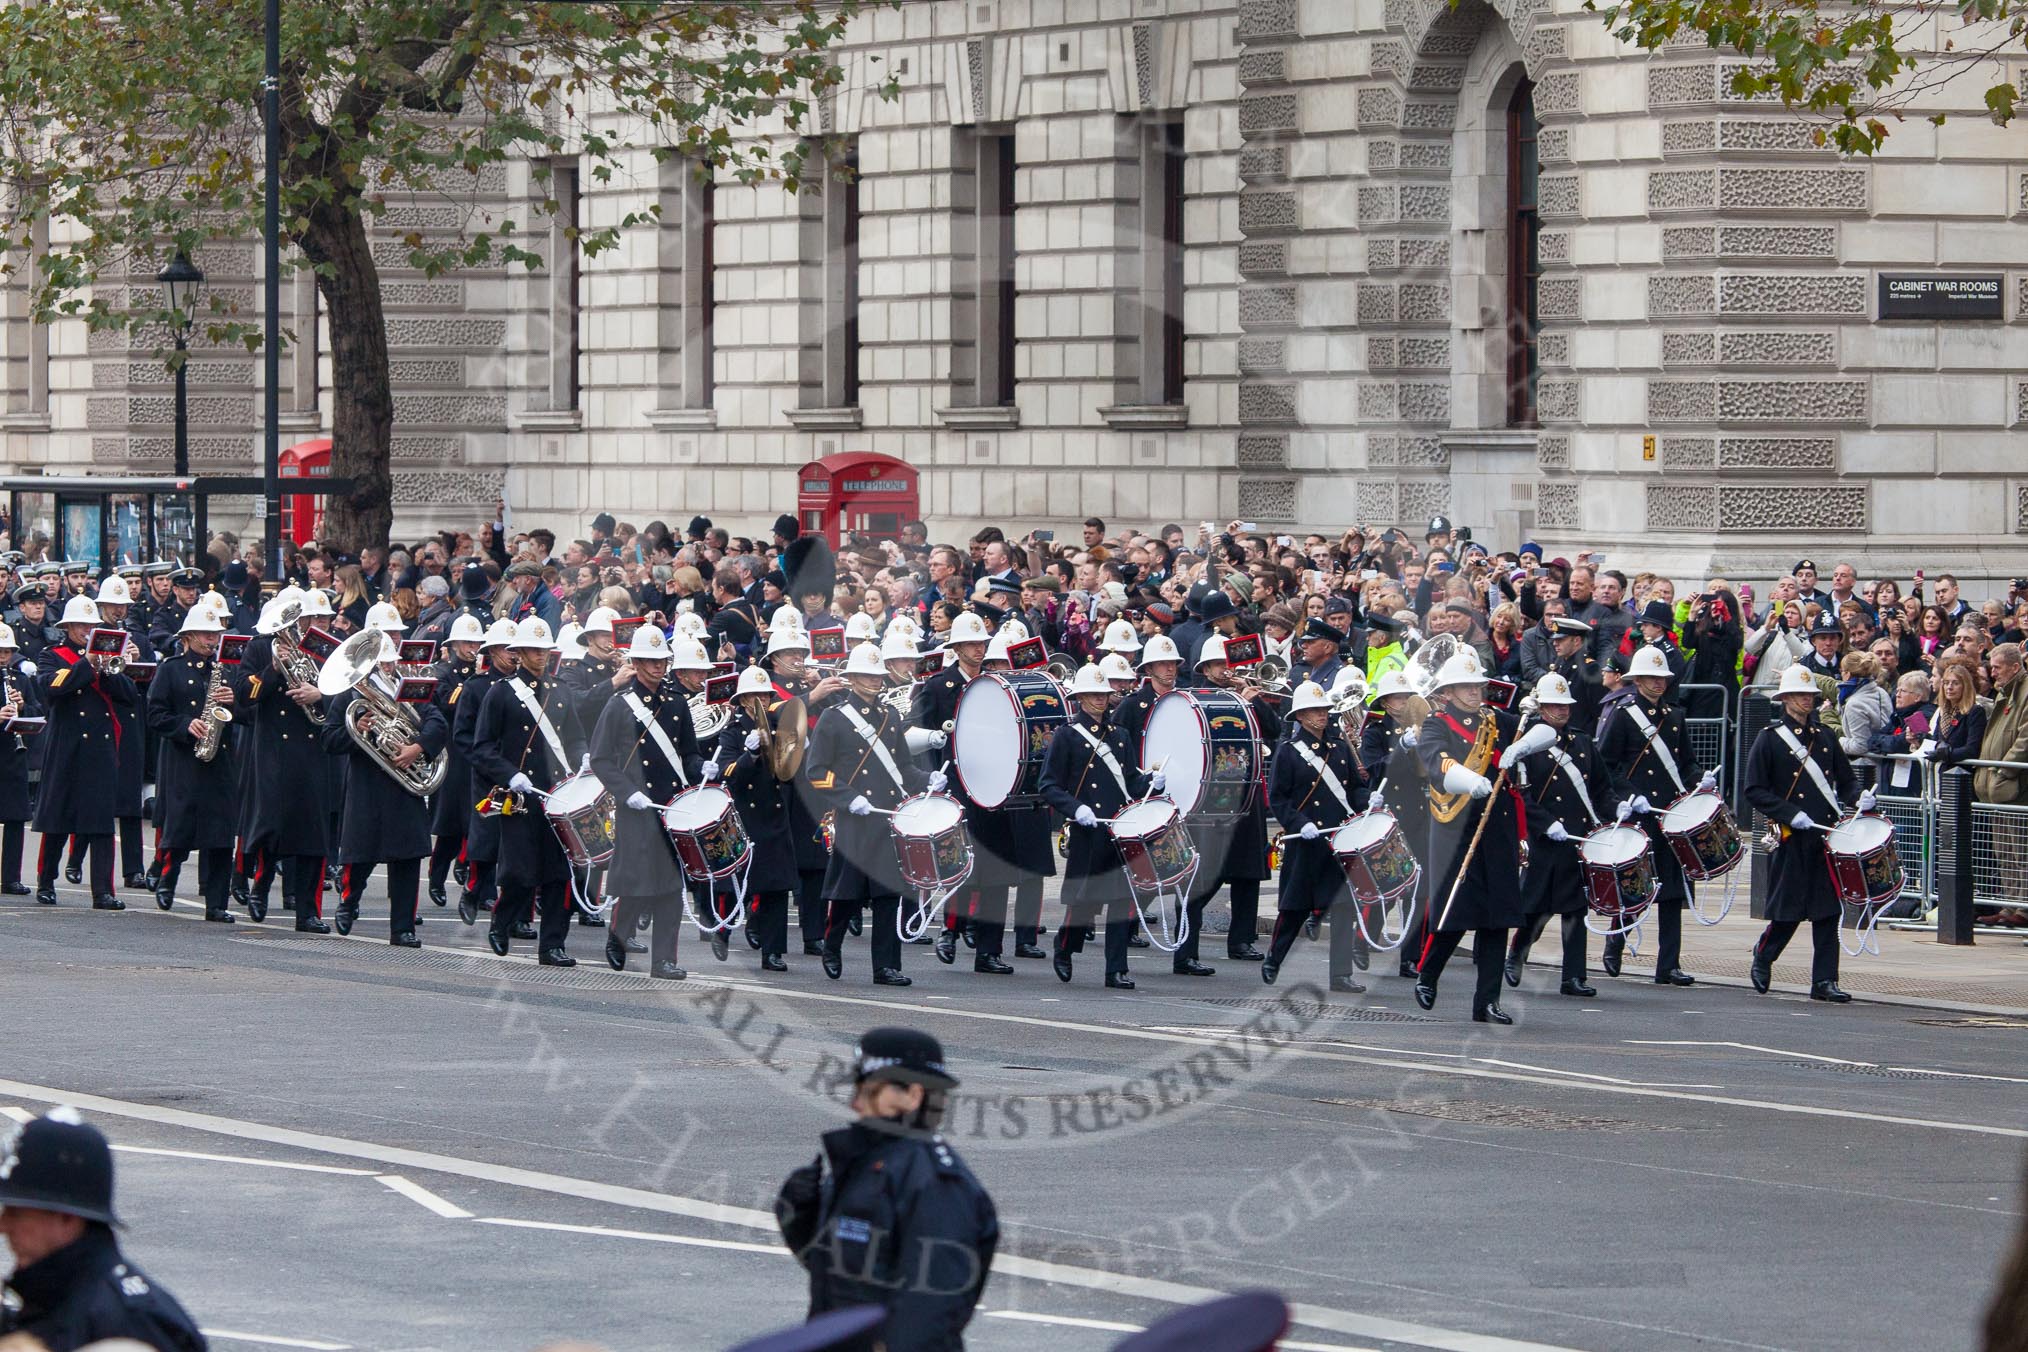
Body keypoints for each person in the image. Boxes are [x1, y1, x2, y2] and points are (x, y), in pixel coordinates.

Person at [774, 1028, 995, 1352]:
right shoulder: (867, 1163)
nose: (855, 1102)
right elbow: (846, 1275)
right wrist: (800, 1218)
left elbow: (930, 1308)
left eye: (869, 1091)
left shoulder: (934, 1184)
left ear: (913, 1096)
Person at [1412, 650, 1553, 1023]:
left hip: (1497, 827)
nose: (1475, 692)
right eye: (1466, 686)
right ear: (1448, 692)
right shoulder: (1436, 724)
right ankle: (1428, 973)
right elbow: (1436, 763)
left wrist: (1522, 746)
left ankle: (1487, 1002)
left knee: (1497, 918)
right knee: (1455, 911)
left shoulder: (1498, 720)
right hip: (1456, 828)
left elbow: (1547, 731)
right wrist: (1470, 778)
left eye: (1477, 685)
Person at [0, 1108, 207, 1352]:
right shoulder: (53, 1296)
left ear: (67, 1217)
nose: (3, 1226)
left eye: (16, 1213)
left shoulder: (127, 1325)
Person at [805, 642, 934, 986]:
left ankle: (886, 967)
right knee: (847, 895)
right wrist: (848, 798)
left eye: (878, 675)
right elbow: (815, 770)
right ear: (852, 678)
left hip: (887, 817)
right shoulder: (834, 718)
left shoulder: (891, 716)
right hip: (855, 819)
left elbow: (903, 767)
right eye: (867, 675)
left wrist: (927, 779)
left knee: (889, 894)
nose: (875, 681)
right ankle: (832, 945)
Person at [319, 630, 450, 946]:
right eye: (383, 663)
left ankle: (403, 928)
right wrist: (357, 731)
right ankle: (349, 902)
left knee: (407, 860)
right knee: (361, 857)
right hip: (368, 787)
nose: (388, 668)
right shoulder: (349, 695)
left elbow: (436, 723)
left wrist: (417, 747)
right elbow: (329, 739)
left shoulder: (407, 690)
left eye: (391, 663)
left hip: (404, 787)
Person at [1744, 665, 1865, 1002]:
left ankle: (1824, 980)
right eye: (1800, 695)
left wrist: (1859, 797)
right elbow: (1754, 789)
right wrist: (1789, 813)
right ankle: (1764, 954)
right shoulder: (1770, 738)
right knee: (1788, 908)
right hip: (1788, 832)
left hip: (1823, 833)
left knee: (1828, 909)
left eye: (1811, 695)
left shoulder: (1825, 738)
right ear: (1785, 699)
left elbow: (1846, 779)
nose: (1807, 700)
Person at [589, 625, 703, 980]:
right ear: (636, 662)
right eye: (650, 660)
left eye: (662, 660)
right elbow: (601, 759)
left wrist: (704, 769)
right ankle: (619, 934)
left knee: (671, 884)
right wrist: (627, 792)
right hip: (637, 805)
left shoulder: (676, 702)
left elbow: (688, 754)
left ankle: (664, 960)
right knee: (637, 881)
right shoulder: (619, 704)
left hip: (671, 805)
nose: (658, 666)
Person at [472, 616, 588, 964]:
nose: (541, 656)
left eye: (544, 650)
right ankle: (501, 922)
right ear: (519, 652)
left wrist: (582, 756)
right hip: (521, 798)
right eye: (534, 650)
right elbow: (482, 748)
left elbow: (575, 735)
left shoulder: (561, 691)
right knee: (521, 871)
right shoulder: (501, 693)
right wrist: (509, 775)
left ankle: (553, 944)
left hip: (558, 796)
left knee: (558, 873)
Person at [1039, 662, 1160, 988]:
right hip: (1088, 830)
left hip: (1119, 831)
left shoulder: (1119, 735)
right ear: (1080, 697)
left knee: (1122, 901)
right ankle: (1065, 946)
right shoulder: (1066, 736)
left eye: (1103, 694)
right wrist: (1075, 809)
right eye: (1092, 694)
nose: (1099, 700)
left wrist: (1154, 783)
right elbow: (1048, 785)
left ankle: (1116, 969)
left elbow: (1131, 783)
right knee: (1084, 902)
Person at [1596, 643, 1707, 985]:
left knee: (1672, 889)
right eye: (1651, 678)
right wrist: (1631, 796)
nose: (1658, 684)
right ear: (1638, 679)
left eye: (1662, 678)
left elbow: (1685, 763)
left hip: (1670, 811)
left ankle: (1668, 964)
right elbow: (1607, 766)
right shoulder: (1624, 714)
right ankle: (1616, 941)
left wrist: (1701, 779)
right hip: (1642, 812)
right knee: (1637, 885)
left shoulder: (1674, 716)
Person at [1506, 671, 1614, 997]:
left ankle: (1574, 976)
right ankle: (1517, 952)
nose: (1562, 711)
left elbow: (1601, 787)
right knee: (1536, 907)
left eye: (1565, 705)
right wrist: (1545, 823)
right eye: (1554, 705)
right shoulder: (1526, 743)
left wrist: (1617, 808)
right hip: (1546, 838)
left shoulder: (1580, 741)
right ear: (1541, 707)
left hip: (1577, 835)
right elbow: (1521, 795)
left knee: (1575, 908)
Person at [232, 594, 333, 931]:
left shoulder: (322, 646)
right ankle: (260, 886)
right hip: (274, 746)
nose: (297, 624)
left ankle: (308, 911)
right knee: (271, 825)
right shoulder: (260, 647)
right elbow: (244, 692)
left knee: (313, 832)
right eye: (290, 618)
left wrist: (320, 695)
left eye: (301, 617)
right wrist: (272, 669)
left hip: (312, 746)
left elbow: (346, 687)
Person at [1261, 678, 1370, 990]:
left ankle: (1341, 975)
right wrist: (1299, 824)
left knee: (1343, 907)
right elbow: (1278, 799)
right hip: (1307, 841)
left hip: (1338, 839)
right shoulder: (1288, 752)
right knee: (1294, 908)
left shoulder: (1338, 747)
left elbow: (1353, 789)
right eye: (1313, 711)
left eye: (1323, 709)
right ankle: (1274, 958)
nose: (1321, 715)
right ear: (1300, 716)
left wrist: (1368, 799)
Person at [33, 595, 136, 910]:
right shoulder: (52, 656)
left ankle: (103, 891)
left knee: (101, 822)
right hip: (67, 745)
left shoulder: (109, 657)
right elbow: (50, 687)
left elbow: (129, 697)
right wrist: (88, 664)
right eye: (81, 625)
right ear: (69, 627)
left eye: (92, 626)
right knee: (57, 818)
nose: (87, 630)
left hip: (100, 749)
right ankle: (46, 881)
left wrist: (114, 670)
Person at [144, 606, 239, 924]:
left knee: (221, 836)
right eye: (206, 634)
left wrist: (233, 702)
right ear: (188, 637)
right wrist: (185, 724)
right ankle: (167, 880)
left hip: (220, 760)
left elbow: (249, 714)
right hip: (184, 760)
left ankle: (217, 903)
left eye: (215, 635)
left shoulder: (224, 670)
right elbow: (155, 714)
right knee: (180, 828)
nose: (212, 640)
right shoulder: (171, 669)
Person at [711, 663, 806, 974]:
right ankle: (723, 930)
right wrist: (748, 755)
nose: (759, 703)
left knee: (776, 888)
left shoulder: (782, 725)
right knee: (739, 883)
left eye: (764, 697)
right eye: (752, 697)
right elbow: (729, 774)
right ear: (741, 701)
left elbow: (792, 771)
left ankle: (773, 951)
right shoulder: (732, 731)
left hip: (775, 813)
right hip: (745, 816)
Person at [1974, 643, 2028, 913]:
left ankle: (2023, 908)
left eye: (1997, 667)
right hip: (1998, 788)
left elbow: (2024, 739)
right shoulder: (2004, 693)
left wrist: (2004, 770)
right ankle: (2009, 906)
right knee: (2004, 851)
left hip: (2015, 787)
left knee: (2022, 851)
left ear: (2015, 667)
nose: (1992, 673)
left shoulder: (2025, 692)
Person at [0, 624, 41, 895]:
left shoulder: (19, 680)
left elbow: (39, 712)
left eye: (7, 652)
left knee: (15, 817)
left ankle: (10, 877)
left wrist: (23, 707)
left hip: (13, 757)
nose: (3, 657)